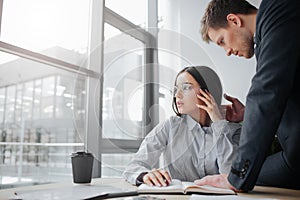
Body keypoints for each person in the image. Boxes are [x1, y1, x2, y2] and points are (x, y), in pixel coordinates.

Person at [196, 0, 300, 191]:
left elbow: (266, 91)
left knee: (237, 178)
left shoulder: (278, 9)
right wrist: (247, 114)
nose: (227, 52)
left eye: (222, 41)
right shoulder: (266, 38)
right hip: (293, 156)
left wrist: (237, 179)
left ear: (234, 20)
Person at [123, 66, 241, 186]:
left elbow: (231, 177)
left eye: (186, 87)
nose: (177, 95)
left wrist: (219, 123)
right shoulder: (170, 126)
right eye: (176, 89)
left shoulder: (232, 131)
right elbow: (133, 167)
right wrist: (145, 175)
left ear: (208, 91)